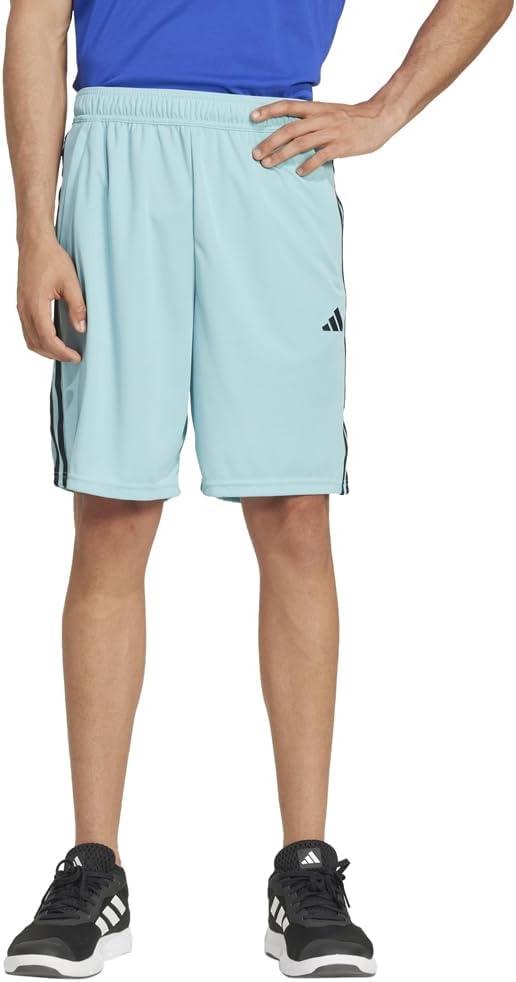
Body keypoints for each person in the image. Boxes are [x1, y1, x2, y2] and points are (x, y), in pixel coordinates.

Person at [3, 0, 512, 977]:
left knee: (294, 517)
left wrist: (387, 109)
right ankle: (93, 867)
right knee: (111, 516)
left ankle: (305, 870)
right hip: (117, 142)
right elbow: (37, 16)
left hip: (270, 149)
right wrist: (33, 229)